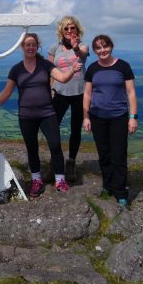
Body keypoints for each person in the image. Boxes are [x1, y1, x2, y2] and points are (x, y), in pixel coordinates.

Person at [0, 33, 82, 197]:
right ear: (22, 47)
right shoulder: (16, 69)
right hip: (26, 115)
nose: (30, 47)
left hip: (47, 113)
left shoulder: (45, 65)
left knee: (55, 145)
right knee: (32, 148)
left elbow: (62, 78)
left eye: (33, 44)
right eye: (27, 44)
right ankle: (36, 180)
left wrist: (72, 69)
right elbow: (7, 92)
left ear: (37, 47)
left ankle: (60, 180)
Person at [82, 34, 138, 207]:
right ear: (95, 50)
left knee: (118, 155)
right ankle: (108, 186)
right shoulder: (92, 69)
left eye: (105, 46)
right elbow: (87, 94)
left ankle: (121, 192)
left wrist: (133, 118)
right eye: (98, 48)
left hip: (119, 117)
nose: (102, 50)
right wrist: (86, 117)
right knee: (104, 154)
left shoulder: (123, 66)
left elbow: (131, 93)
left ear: (111, 47)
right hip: (97, 117)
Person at [48, 15, 89, 182]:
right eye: (66, 28)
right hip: (59, 92)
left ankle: (71, 162)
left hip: (80, 92)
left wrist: (75, 47)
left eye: (72, 27)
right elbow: (50, 70)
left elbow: (83, 56)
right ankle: (55, 161)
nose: (69, 31)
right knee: (52, 127)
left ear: (77, 30)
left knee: (75, 129)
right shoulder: (54, 48)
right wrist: (50, 89)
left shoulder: (83, 46)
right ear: (61, 31)